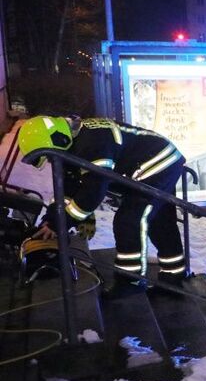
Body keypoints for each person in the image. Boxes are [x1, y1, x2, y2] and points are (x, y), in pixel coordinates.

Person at [17, 115, 187, 297]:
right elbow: (66, 190)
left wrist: (64, 222)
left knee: (129, 220)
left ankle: (131, 281)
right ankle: (173, 278)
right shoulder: (70, 147)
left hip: (157, 162)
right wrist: (51, 221)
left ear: (58, 140)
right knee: (161, 221)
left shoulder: (92, 143)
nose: (51, 161)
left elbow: (94, 190)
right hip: (160, 158)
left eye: (49, 156)